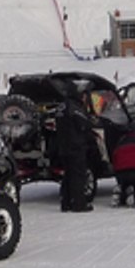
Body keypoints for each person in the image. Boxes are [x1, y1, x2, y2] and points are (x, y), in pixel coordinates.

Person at [54, 84, 97, 213]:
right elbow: (84, 123)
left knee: (68, 175)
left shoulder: (61, 106)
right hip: (76, 146)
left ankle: (66, 202)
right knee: (78, 175)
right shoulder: (75, 107)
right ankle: (79, 204)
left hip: (63, 146)